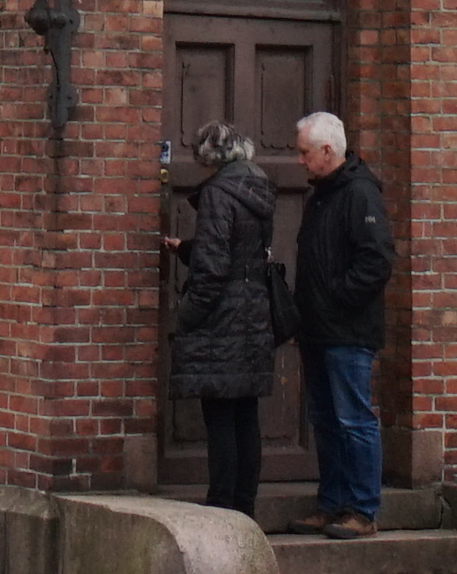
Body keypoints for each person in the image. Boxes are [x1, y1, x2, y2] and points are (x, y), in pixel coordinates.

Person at [288, 109, 396, 535]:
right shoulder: (324, 194)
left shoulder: (359, 194)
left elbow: (376, 261)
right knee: (327, 420)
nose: (300, 161)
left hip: (347, 331)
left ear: (328, 151)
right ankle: (331, 502)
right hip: (319, 329)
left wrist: (334, 302)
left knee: (353, 419)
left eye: (304, 153)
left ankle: (362, 508)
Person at [167, 122, 282, 518]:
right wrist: (189, 249)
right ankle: (244, 508)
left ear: (210, 157)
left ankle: (221, 509)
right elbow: (241, 251)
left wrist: (185, 316)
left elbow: (214, 270)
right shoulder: (259, 187)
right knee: (245, 415)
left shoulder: (218, 193)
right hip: (253, 313)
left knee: (219, 418)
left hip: (221, 321)